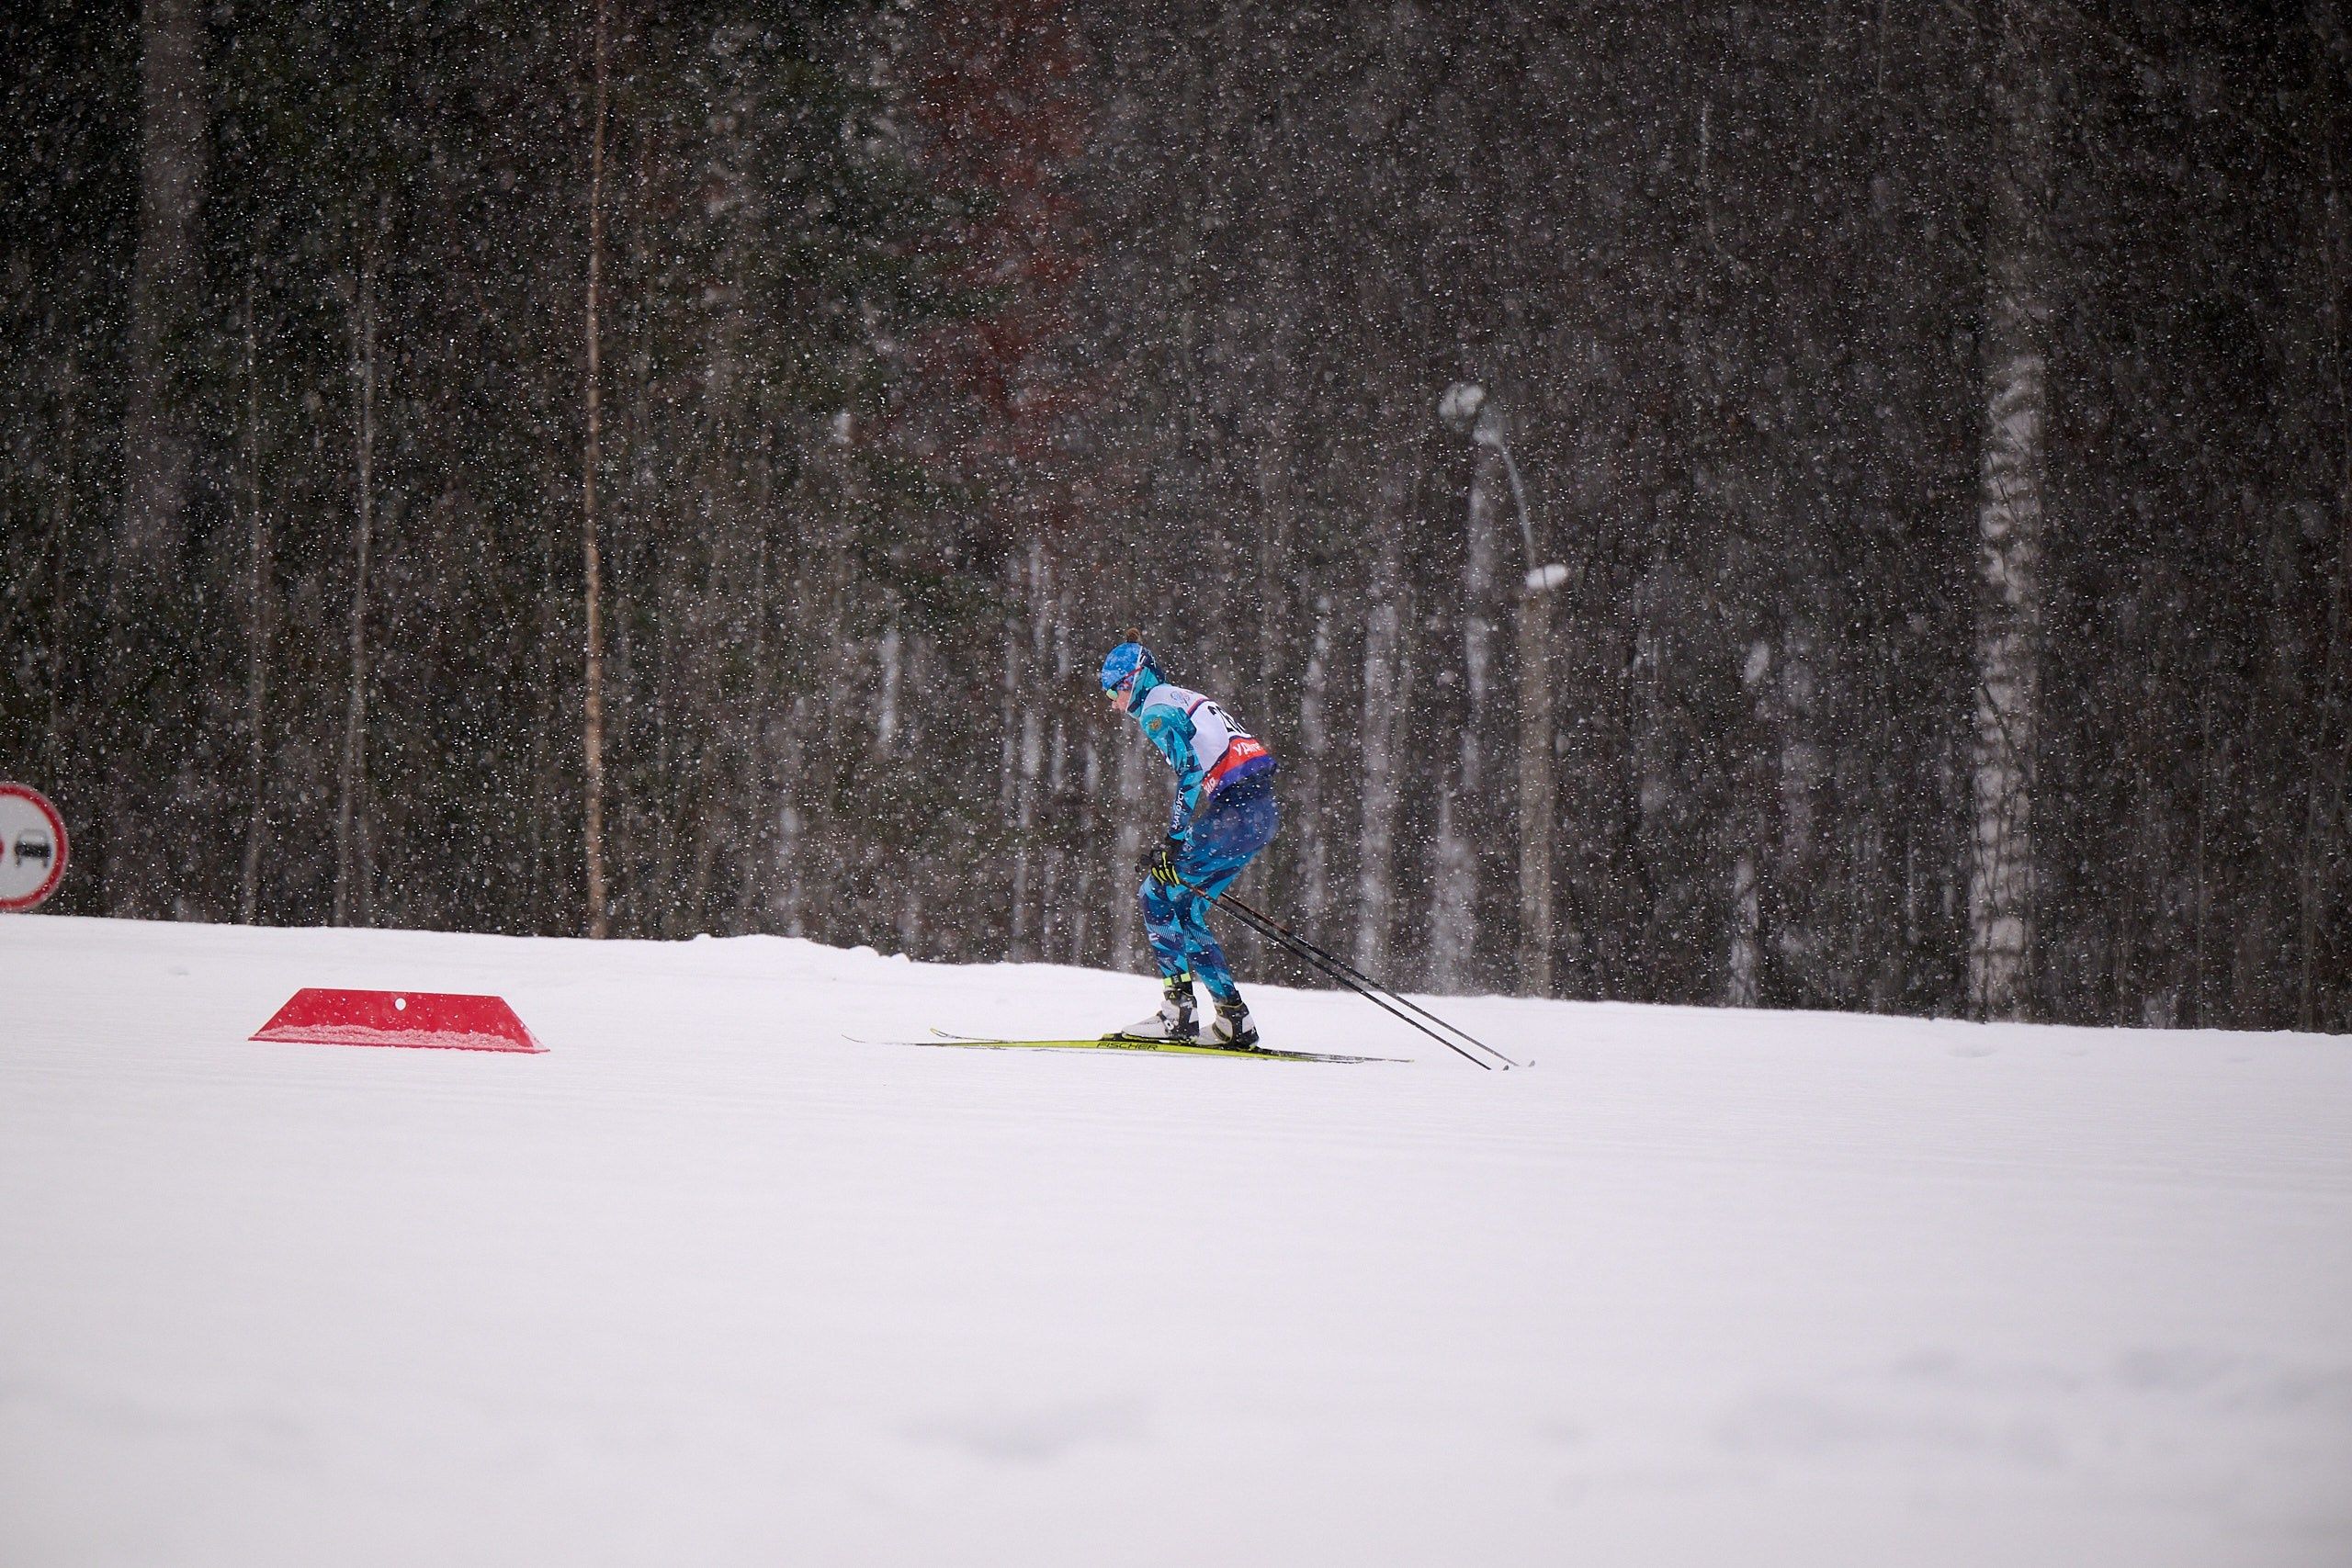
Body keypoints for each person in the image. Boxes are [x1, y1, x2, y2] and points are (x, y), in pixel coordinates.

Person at [1099, 641, 1279, 1048]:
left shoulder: (1156, 711)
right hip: (1258, 813)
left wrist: (1173, 842)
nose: (1114, 705)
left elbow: (1190, 775)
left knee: (1155, 895)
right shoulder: (1176, 696)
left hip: (1236, 815)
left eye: (1115, 691)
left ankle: (1177, 1012)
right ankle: (1235, 1021)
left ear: (1135, 679)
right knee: (1185, 907)